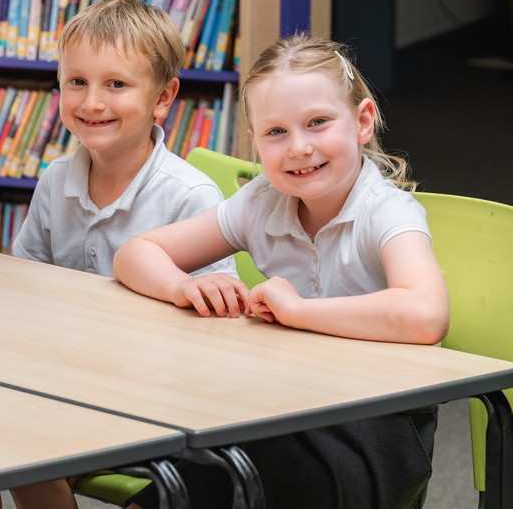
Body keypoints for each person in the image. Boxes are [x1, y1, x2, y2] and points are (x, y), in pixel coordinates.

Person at [113, 34, 449, 509]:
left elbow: (427, 314)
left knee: (235, 459)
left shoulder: (387, 212)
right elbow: (135, 253)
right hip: (279, 412)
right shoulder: (261, 203)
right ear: (255, 140)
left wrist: (299, 311)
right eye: (276, 132)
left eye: (317, 123)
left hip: (375, 431)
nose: (298, 148)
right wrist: (183, 284)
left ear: (363, 121)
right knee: (199, 464)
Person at [0, 0, 230, 509]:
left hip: (151, 391)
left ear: (163, 98)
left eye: (116, 84)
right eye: (77, 82)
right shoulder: (56, 181)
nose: (92, 102)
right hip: (65, 377)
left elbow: (213, 340)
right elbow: (26, 288)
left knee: (7, 441)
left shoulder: (191, 198)